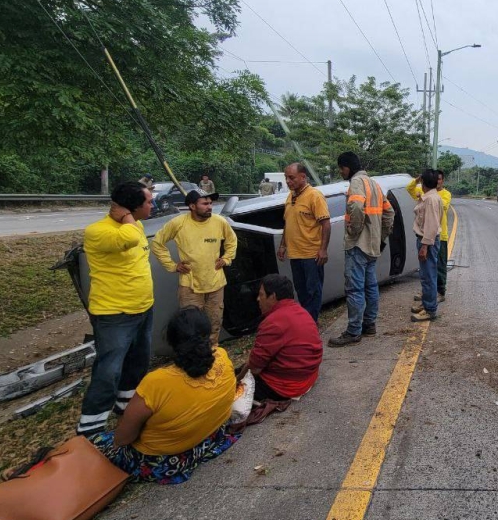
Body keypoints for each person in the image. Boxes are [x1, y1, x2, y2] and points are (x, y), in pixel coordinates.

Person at [90, 307, 239, 485]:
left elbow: (123, 438)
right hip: (211, 440)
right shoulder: (222, 357)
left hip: (163, 461)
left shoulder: (156, 383)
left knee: (95, 442)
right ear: (208, 335)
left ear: (172, 342)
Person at [77, 181, 154, 437]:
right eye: (148, 202)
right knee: (109, 370)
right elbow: (129, 239)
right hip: (115, 314)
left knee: (138, 362)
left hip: (143, 307)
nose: (153, 205)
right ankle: (91, 427)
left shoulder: (136, 225)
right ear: (131, 208)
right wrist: (127, 217)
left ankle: (125, 406)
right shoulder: (98, 231)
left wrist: (129, 217)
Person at [151, 189, 237, 347]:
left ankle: (212, 352)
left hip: (215, 283)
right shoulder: (178, 223)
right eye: (205, 203)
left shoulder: (220, 221)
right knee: (191, 326)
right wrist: (172, 265)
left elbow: (232, 241)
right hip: (190, 285)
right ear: (192, 206)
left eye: (210, 203)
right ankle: (192, 355)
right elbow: (157, 243)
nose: (209, 207)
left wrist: (226, 259)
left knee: (214, 322)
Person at [328, 152, 394, 347]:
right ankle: (369, 325)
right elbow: (389, 213)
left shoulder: (356, 182)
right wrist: (381, 237)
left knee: (355, 288)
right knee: (370, 287)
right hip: (372, 246)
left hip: (358, 245)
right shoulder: (374, 184)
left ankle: (353, 331)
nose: (341, 172)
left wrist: (354, 231)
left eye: (341, 168)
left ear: (347, 167)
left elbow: (356, 207)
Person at [237, 274, 322, 401]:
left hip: (287, 386)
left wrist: (238, 378)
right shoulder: (300, 310)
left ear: (273, 296)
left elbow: (255, 368)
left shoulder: (273, 322)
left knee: (228, 391)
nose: (258, 299)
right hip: (309, 376)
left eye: (261, 295)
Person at [276, 163, 331, 323]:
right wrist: (283, 245)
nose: (288, 181)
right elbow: (288, 223)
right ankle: (307, 323)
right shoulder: (290, 196)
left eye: (291, 178)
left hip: (311, 254)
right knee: (301, 291)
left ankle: (310, 324)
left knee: (313, 291)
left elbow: (326, 224)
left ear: (303, 177)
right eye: (286, 178)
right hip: (295, 254)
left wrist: (323, 249)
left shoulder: (314, 196)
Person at [407, 169, 451, 303]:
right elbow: (410, 189)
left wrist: (426, 196)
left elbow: (441, 207)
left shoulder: (441, 195)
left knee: (439, 266)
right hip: (427, 235)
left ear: (443, 181)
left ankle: (439, 292)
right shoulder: (427, 194)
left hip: (439, 235)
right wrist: (418, 180)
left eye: (439, 179)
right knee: (427, 270)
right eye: (435, 179)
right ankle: (428, 293)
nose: (437, 182)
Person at [411, 169, 442, 322]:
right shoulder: (430, 197)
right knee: (426, 275)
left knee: (428, 276)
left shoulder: (431, 199)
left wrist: (424, 246)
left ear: (423, 182)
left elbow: (431, 225)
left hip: (427, 241)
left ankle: (430, 310)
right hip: (426, 240)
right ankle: (426, 304)